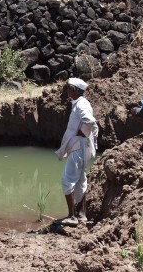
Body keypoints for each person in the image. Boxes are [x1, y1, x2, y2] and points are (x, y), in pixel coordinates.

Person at [55, 78, 98, 227]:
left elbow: (90, 121)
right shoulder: (82, 103)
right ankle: (82, 215)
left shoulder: (80, 104)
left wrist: (82, 132)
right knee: (80, 180)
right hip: (82, 146)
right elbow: (94, 125)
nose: (66, 90)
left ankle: (72, 216)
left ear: (73, 90)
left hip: (78, 146)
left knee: (66, 180)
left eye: (68, 88)